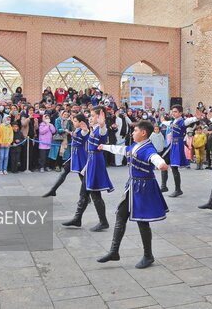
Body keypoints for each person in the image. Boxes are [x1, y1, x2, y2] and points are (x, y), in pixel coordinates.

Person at [97, 120, 169, 269]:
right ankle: (114, 251)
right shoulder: (135, 145)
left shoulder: (148, 148)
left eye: (135, 131)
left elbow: (154, 157)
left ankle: (148, 256)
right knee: (121, 215)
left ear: (143, 133)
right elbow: (122, 150)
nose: (133, 133)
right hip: (132, 186)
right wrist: (104, 147)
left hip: (144, 188)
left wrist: (161, 164)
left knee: (142, 221)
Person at [62, 107, 112, 231]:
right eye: (90, 115)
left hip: (96, 162)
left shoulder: (100, 129)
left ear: (100, 117)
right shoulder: (92, 129)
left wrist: (102, 124)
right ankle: (77, 218)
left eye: (93, 115)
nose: (90, 117)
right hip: (91, 162)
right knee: (84, 191)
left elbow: (103, 132)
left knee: (95, 193)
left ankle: (103, 221)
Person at [43, 113, 88, 197]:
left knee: (82, 176)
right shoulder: (77, 129)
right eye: (73, 121)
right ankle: (53, 190)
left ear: (81, 122)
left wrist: (84, 130)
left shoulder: (83, 130)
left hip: (80, 155)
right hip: (74, 155)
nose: (73, 122)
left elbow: (84, 134)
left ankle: (86, 196)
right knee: (64, 172)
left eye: (75, 121)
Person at [160, 105, 200, 197]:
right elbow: (168, 123)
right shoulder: (174, 121)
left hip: (178, 144)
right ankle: (164, 186)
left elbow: (189, 121)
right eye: (172, 111)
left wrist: (196, 118)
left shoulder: (182, 121)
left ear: (180, 113)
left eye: (175, 112)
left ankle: (178, 189)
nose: (173, 113)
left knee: (174, 167)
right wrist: (163, 121)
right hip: (173, 144)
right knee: (164, 162)